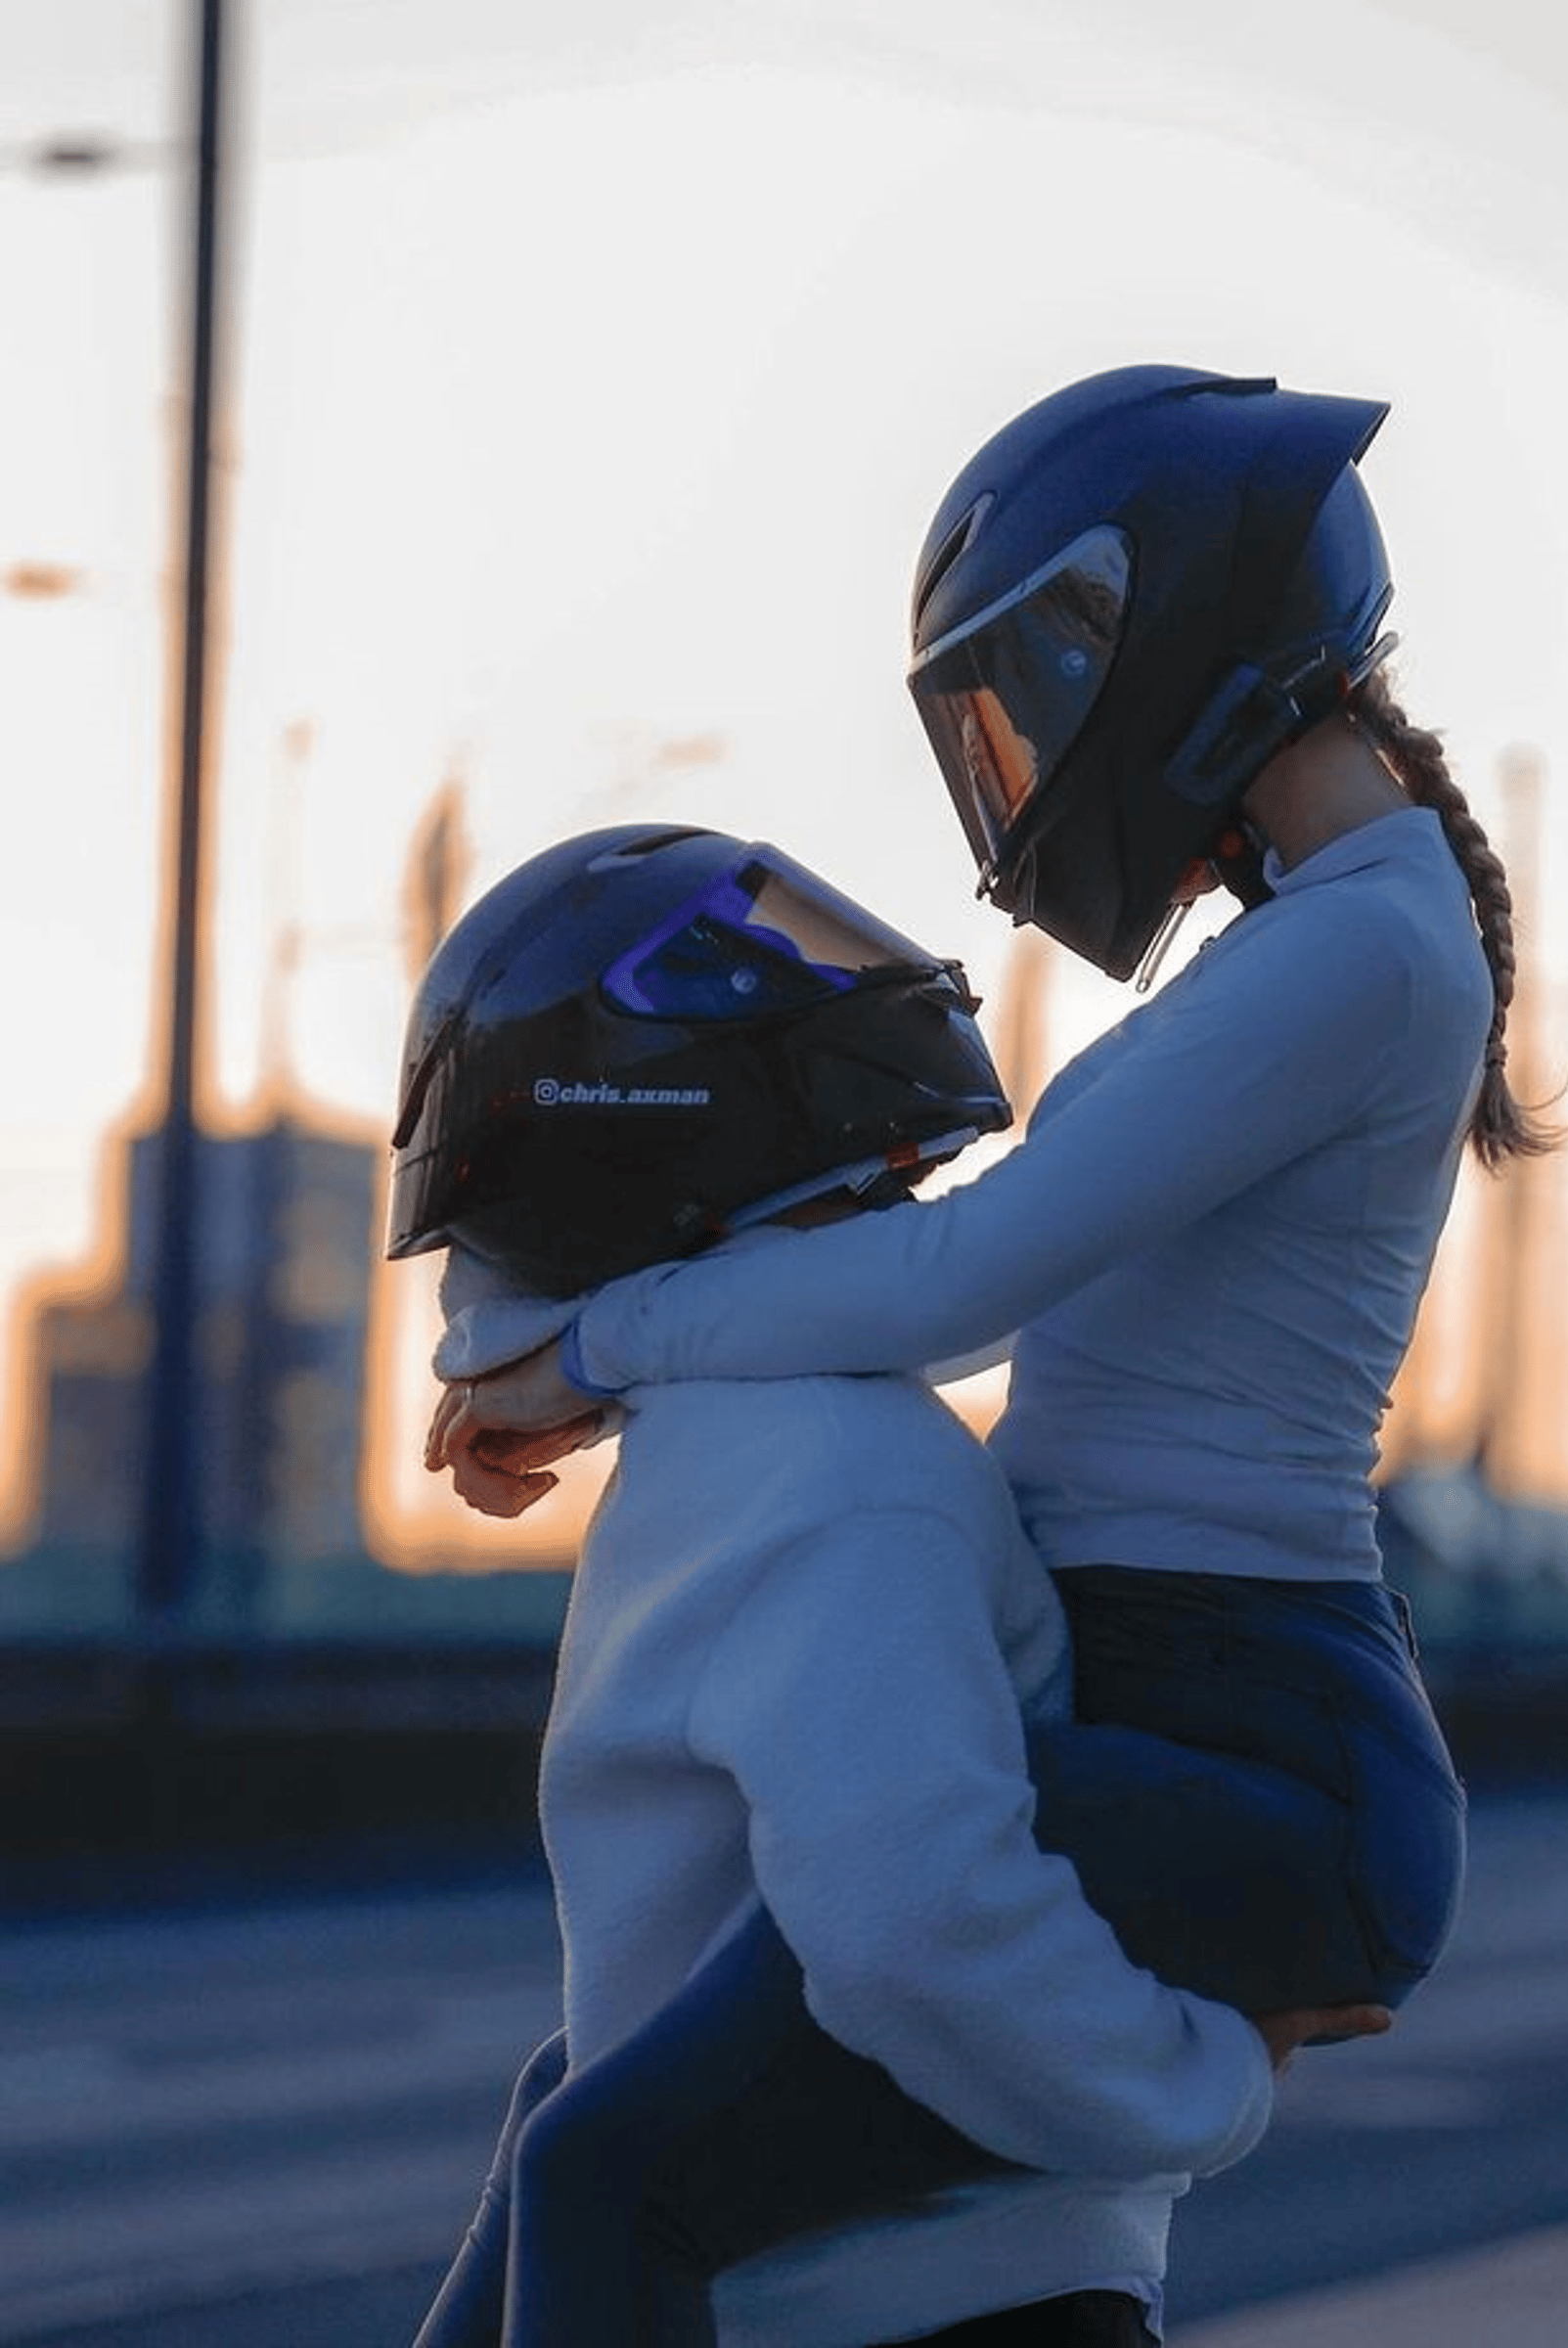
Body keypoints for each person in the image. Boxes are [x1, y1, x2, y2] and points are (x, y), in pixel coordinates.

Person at [428, 364, 1559, 2336]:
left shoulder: (1361, 951)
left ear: (1174, 619)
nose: (1016, 767)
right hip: (1186, 1707)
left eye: (1029, 688)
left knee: (615, 2169)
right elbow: (978, 1298)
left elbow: (960, 1282)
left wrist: (594, 1349)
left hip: (1241, 1736)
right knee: (589, 2108)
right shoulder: (1331, 939)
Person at [389, 823, 1388, 2348]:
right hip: (941, 2308)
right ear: (687, 1108)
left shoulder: (726, 1441)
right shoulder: (842, 1469)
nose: (854, 987)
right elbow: (912, 1919)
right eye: (776, 972)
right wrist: (1208, 2083)